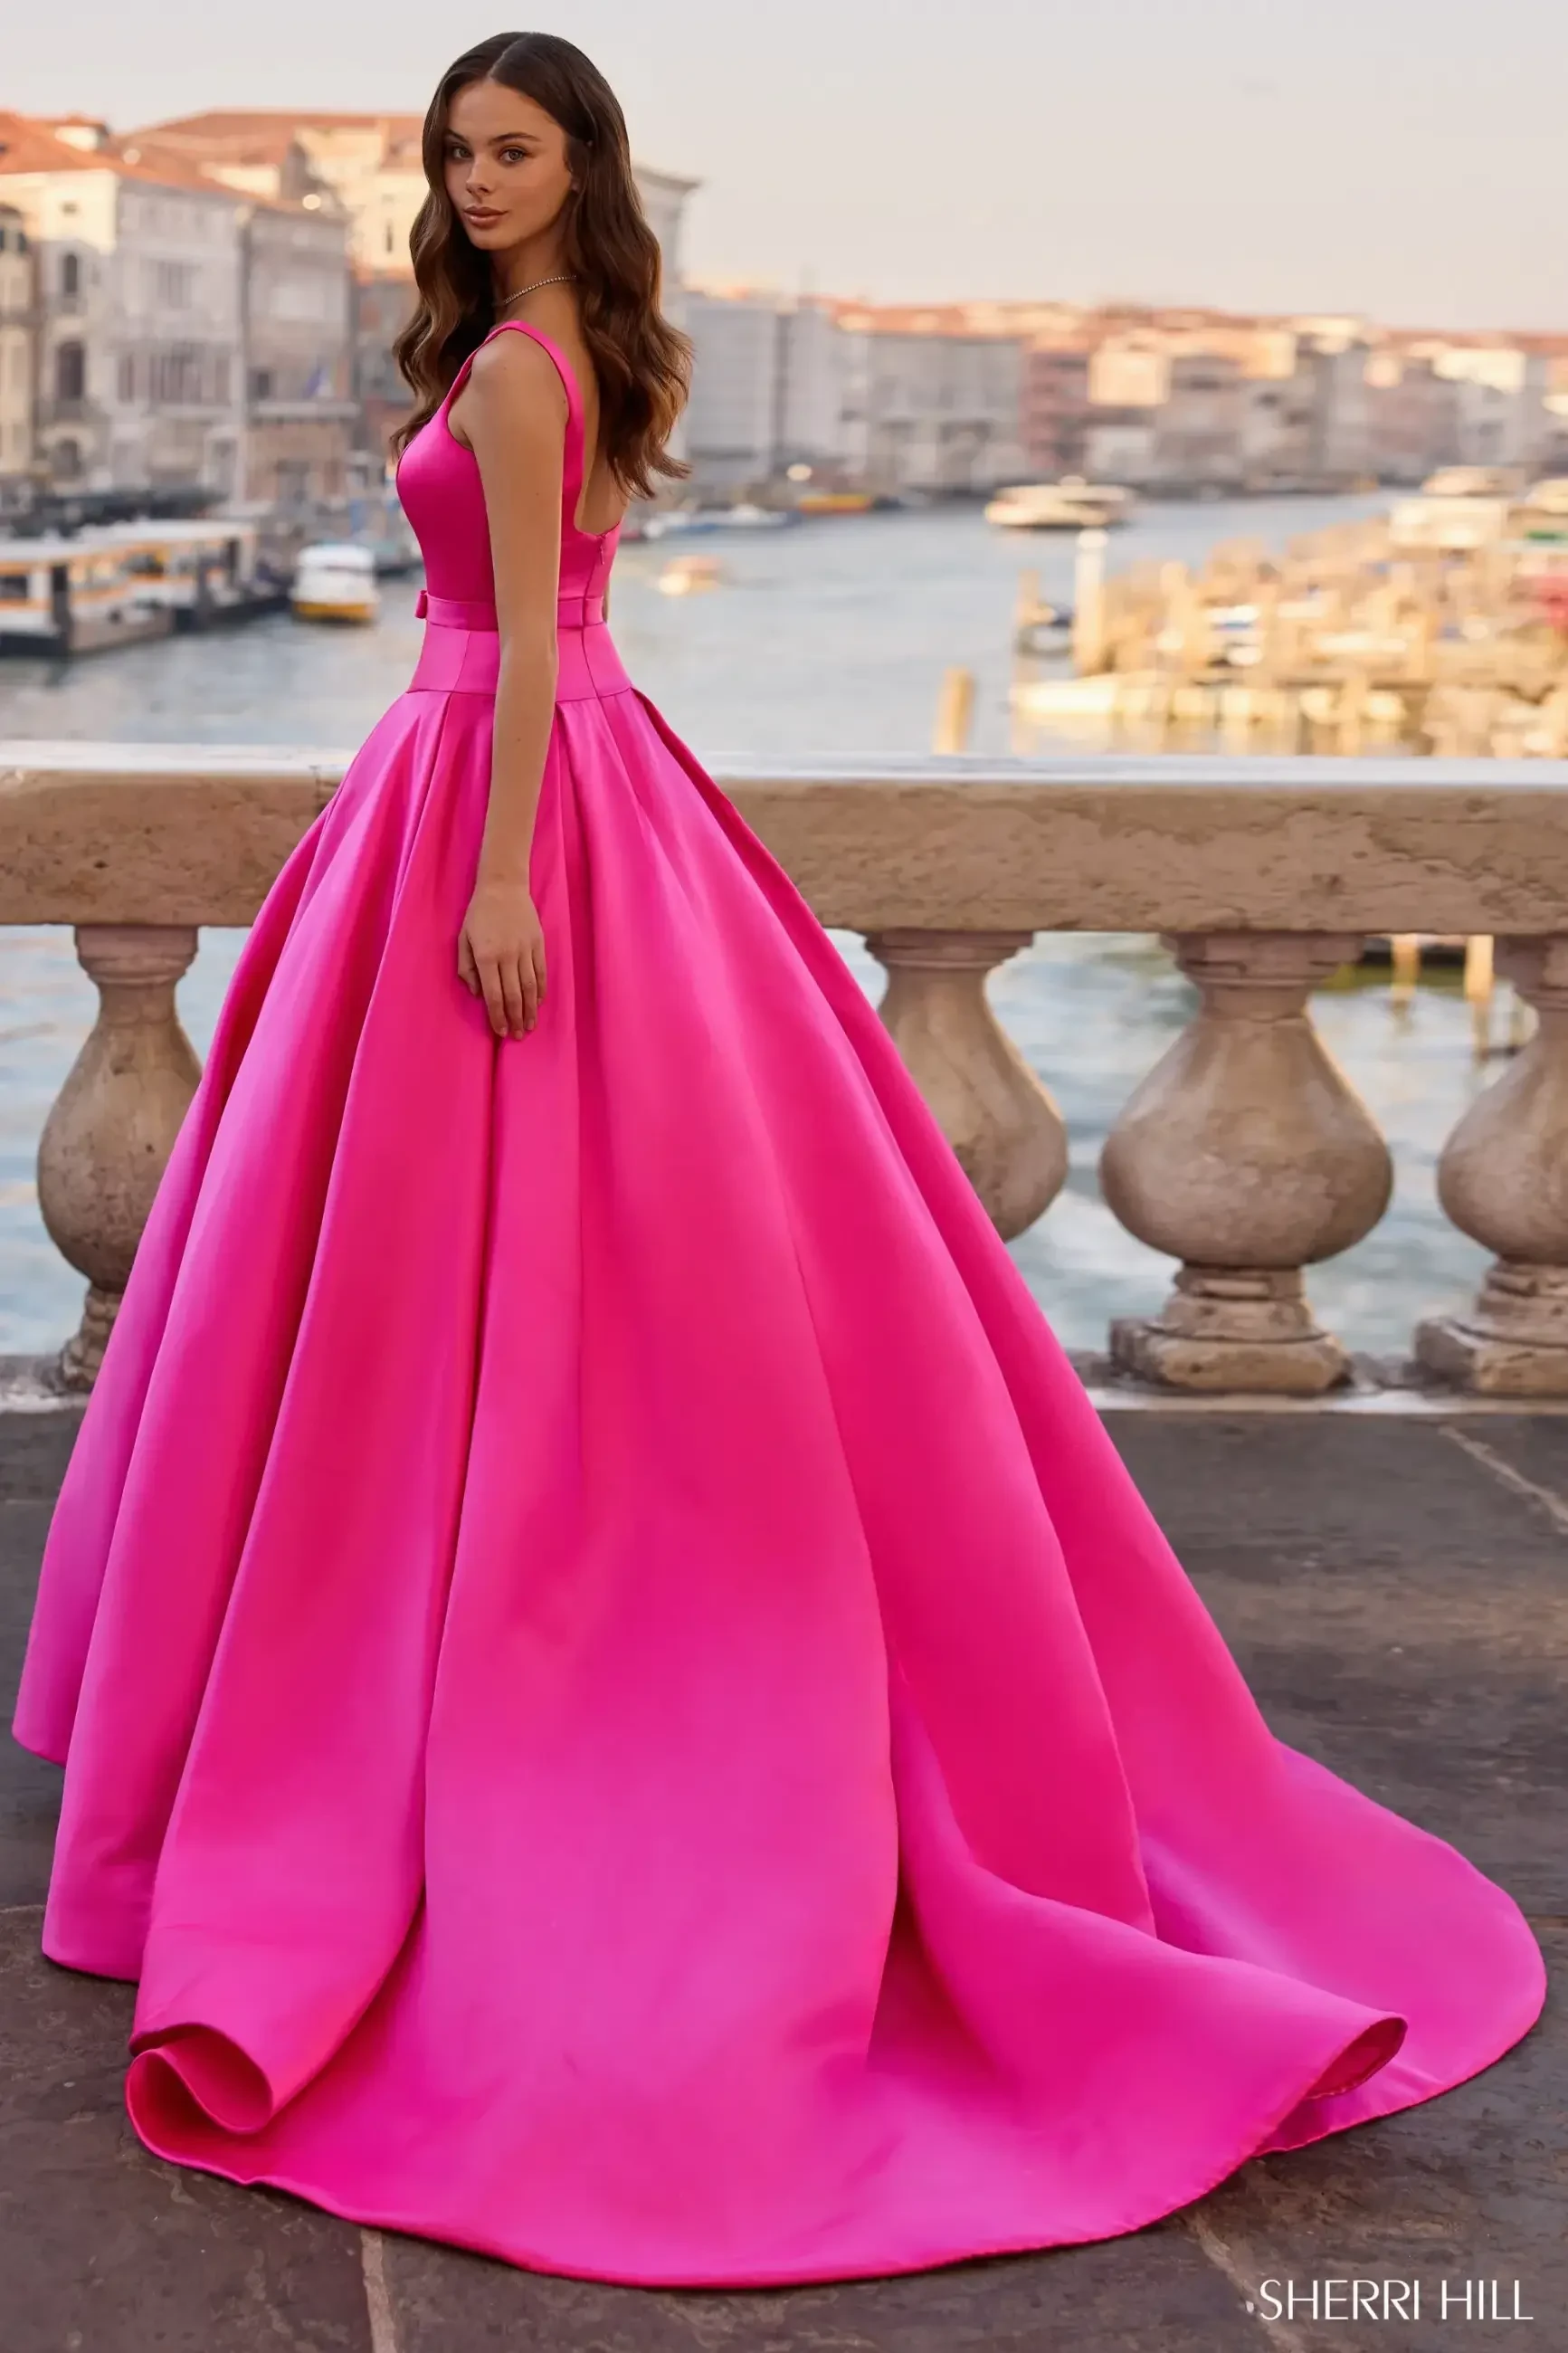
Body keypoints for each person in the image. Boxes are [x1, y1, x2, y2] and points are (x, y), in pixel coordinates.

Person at [11, 30, 1544, 2292]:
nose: (479, 176)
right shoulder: (575, 350)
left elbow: (529, 646)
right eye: (456, 150)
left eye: (514, 147)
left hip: (499, 792)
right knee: (507, 1260)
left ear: (579, 165)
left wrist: (504, 873)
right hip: (550, 785)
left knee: (430, 1274)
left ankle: (445, 1676)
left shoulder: (527, 374)